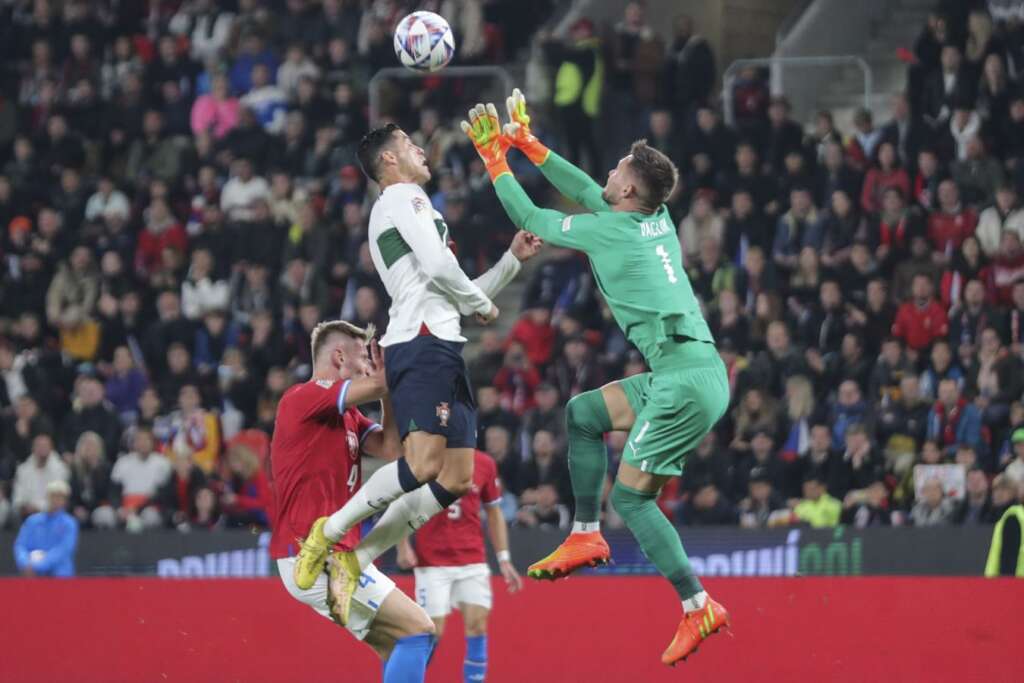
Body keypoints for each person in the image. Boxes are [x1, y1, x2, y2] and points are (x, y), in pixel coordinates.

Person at [463, 90, 731, 665]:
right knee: (583, 414)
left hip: (684, 382)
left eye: (618, 169)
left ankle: (697, 604)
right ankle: (585, 532)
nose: (607, 173)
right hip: (683, 371)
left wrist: (495, 161)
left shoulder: (614, 232)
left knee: (633, 502)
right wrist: (531, 146)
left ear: (629, 189)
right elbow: (588, 190)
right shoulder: (653, 217)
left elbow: (533, 219)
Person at [293, 122, 541, 627]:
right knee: (424, 464)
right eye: (408, 145)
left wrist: (510, 262)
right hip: (419, 342)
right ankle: (329, 531)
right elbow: (440, 270)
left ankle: (356, 559)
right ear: (388, 161)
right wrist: (479, 303)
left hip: (443, 343)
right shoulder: (402, 197)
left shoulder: (413, 208)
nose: (420, 150)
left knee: (458, 476)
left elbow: (456, 288)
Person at [270, 320, 435, 681]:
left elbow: (391, 448)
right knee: (418, 630)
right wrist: (397, 362)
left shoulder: (348, 415)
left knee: (402, 645)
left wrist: (386, 394)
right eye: (364, 356)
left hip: (340, 556)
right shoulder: (304, 397)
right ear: (339, 356)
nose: (368, 365)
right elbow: (379, 381)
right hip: (312, 557)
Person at [396, 450, 523, 683]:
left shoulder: (484, 464)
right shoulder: (425, 456)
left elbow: (494, 512)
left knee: (477, 626)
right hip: (432, 561)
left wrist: (504, 559)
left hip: (472, 559)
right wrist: (403, 545)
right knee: (431, 632)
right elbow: (403, 504)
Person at [13, 479, 78, 577]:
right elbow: (20, 545)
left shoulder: (69, 524)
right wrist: (25, 563)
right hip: (33, 574)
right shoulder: (32, 521)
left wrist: (39, 564)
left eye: (60, 497)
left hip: (60, 576)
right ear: (47, 497)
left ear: (65, 500)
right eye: (53, 496)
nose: (56, 500)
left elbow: (63, 550)